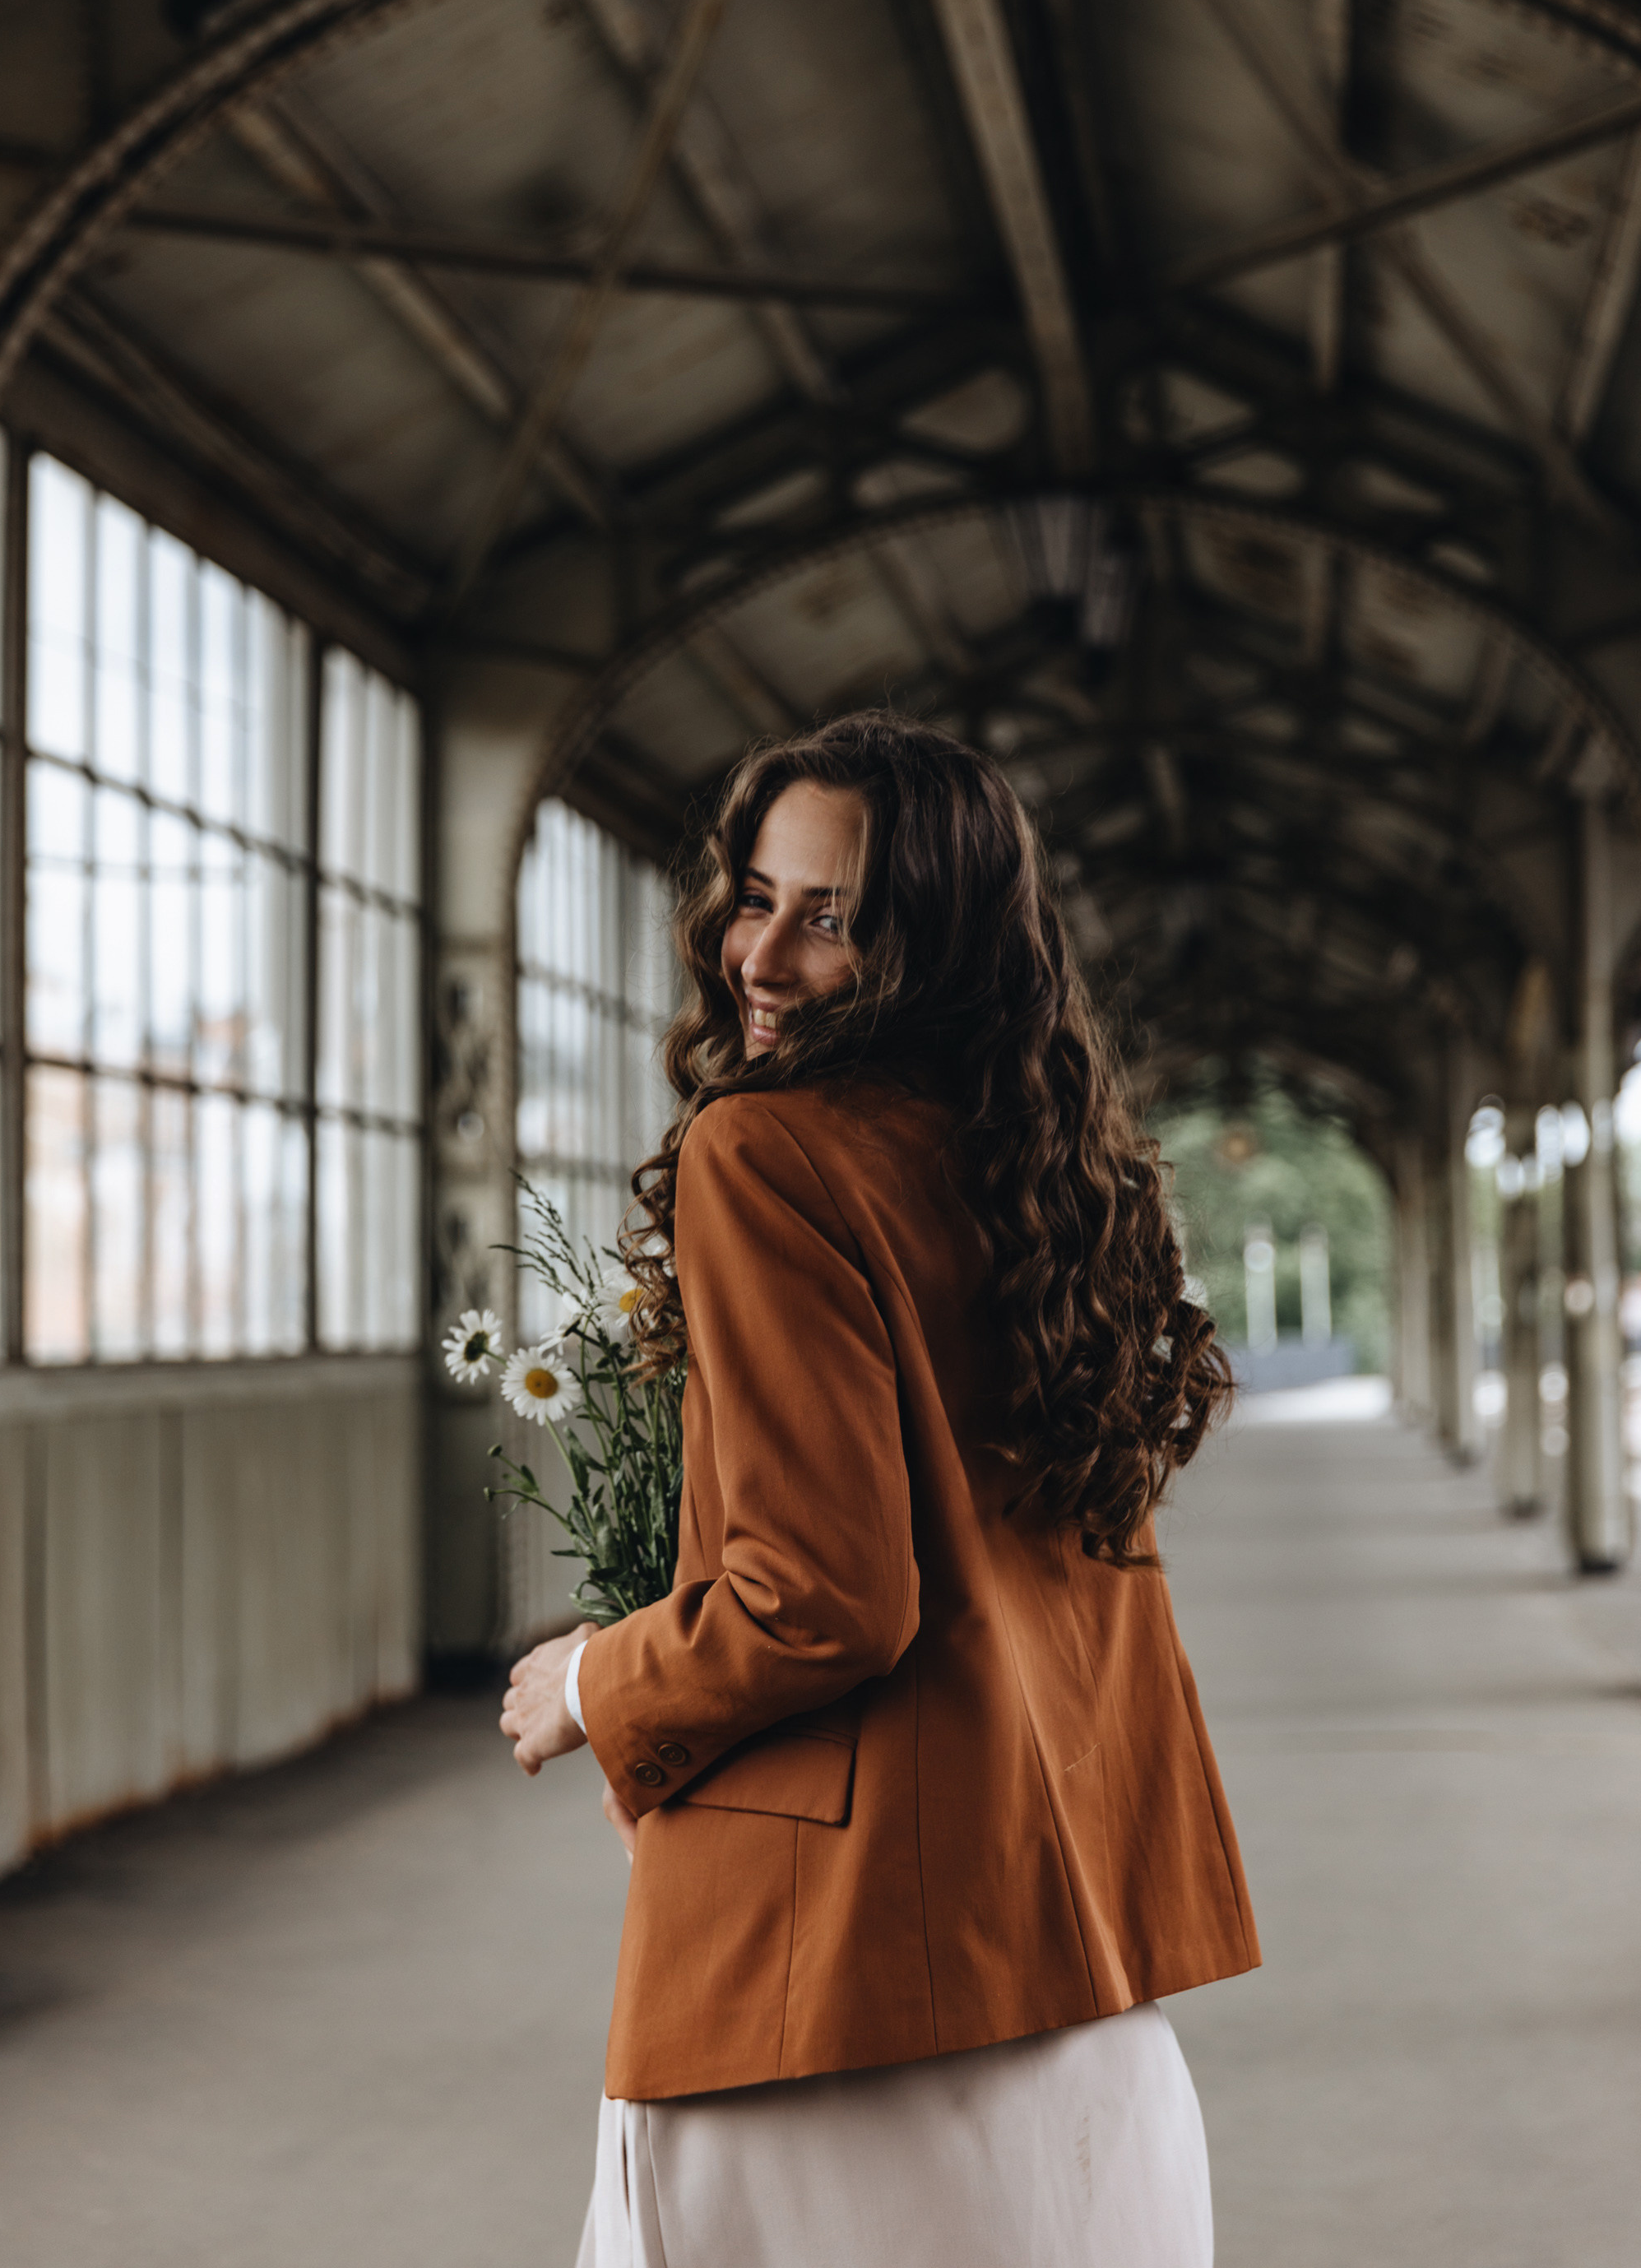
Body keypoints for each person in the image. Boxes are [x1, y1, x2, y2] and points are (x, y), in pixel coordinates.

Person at [500, 712, 1256, 2268]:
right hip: (1078, 1965)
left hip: (839, 1991)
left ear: (933, 946)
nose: (760, 960)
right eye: (754, 900)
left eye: (830, 919)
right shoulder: (1054, 1174)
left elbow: (822, 1598)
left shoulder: (763, 1154)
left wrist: (594, 1682)